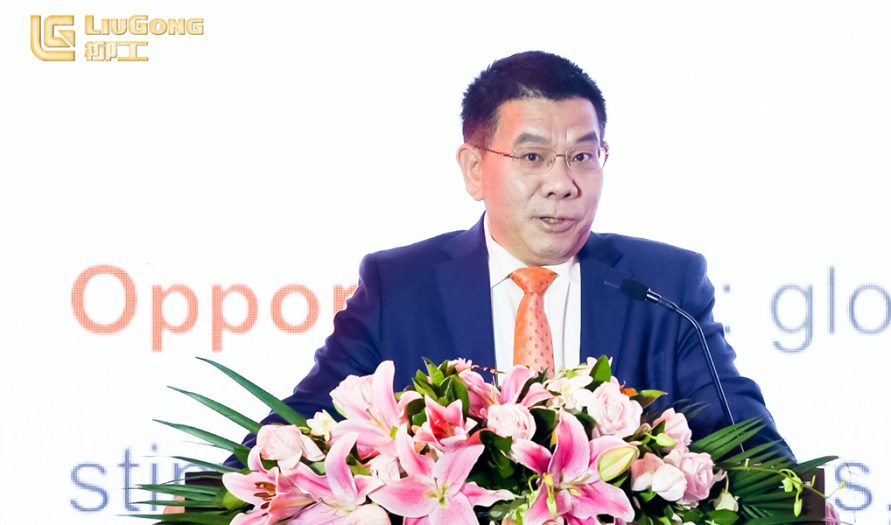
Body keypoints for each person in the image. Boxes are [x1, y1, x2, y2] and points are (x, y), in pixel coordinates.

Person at [248, 50, 792, 460]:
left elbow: (749, 444)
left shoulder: (665, 286)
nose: (562, 183)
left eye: (583, 156)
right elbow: (293, 433)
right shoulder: (401, 288)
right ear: (474, 168)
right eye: (533, 157)